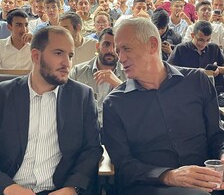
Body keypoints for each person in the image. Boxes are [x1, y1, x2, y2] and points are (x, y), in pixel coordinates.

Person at [103, 17, 224, 195]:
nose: (120, 58)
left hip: (207, 180)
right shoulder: (115, 103)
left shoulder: (197, 81)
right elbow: (124, 165)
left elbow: (217, 135)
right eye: (118, 51)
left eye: (126, 49)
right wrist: (168, 176)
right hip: (150, 186)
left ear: (153, 45)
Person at [0, 25, 102, 195]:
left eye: (70, 56)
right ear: (36, 56)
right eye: (58, 53)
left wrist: (72, 188)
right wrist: (7, 187)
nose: (66, 63)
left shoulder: (82, 96)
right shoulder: (4, 95)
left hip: (59, 189)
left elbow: (92, 149)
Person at [70, 27, 126, 127]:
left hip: (116, 132)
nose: (111, 50)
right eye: (106, 44)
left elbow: (136, 107)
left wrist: (119, 85)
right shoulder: (78, 72)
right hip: (84, 131)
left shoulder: (128, 73)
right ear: (97, 46)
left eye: (115, 46)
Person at [168, 20, 224, 93]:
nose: (204, 44)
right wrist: (196, 73)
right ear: (192, 35)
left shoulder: (214, 48)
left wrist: (218, 70)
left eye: (208, 40)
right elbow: (169, 70)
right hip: (187, 91)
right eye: (201, 40)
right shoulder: (181, 49)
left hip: (211, 91)